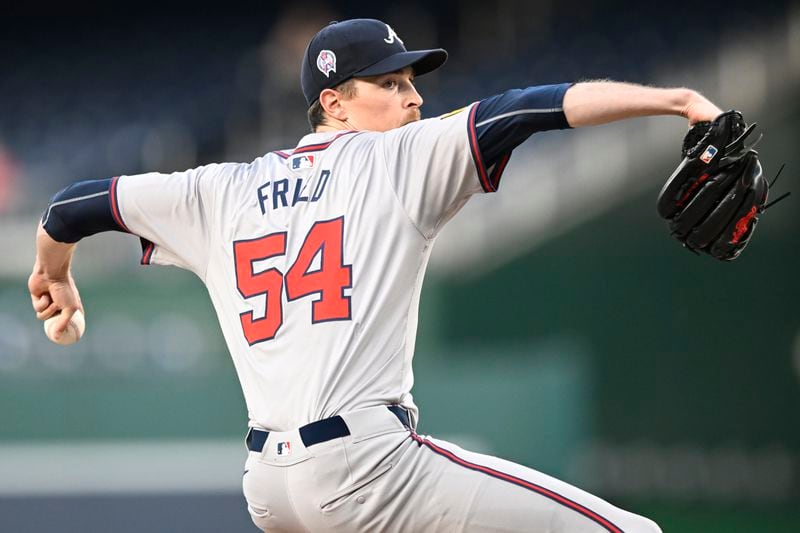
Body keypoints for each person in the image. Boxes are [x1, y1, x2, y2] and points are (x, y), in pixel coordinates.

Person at [30, 18, 722, 532]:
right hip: (368, 467)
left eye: (413, 84)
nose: (413, 99)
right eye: (390, 84)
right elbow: (528, 108)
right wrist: (679, 101)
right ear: (333, 102)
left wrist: (52, 276)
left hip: (269, 488)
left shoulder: (219, 189)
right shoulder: (398, 159)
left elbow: (70, 207)